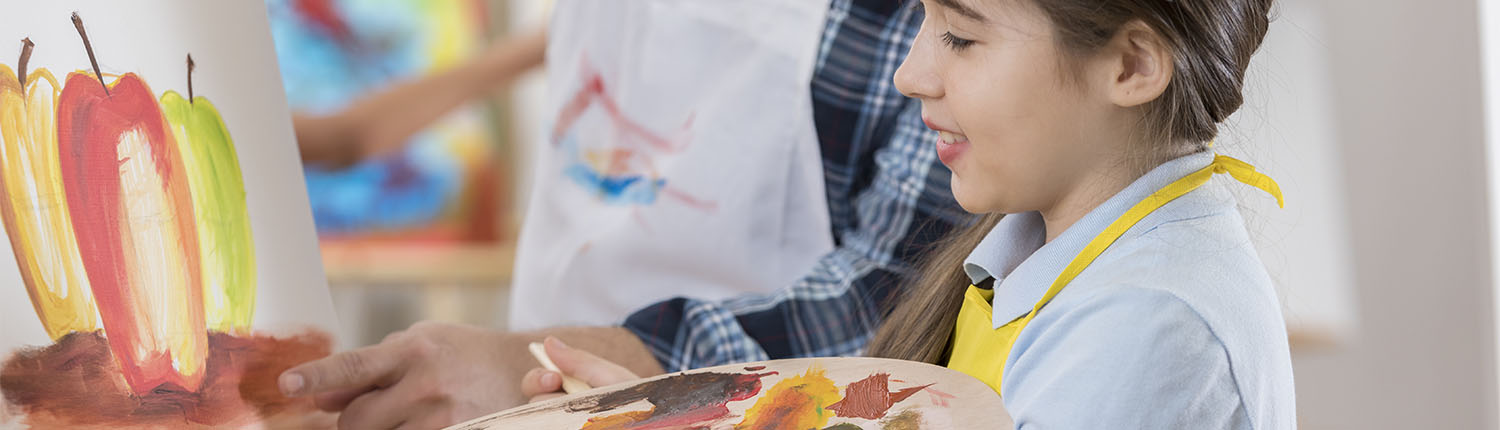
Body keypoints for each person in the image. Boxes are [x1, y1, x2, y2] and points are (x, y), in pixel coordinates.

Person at [524, 0, 1298, 427]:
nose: (909, 74)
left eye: (960, 37)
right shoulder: (1028, 258)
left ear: (1130, 65)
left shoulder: (1147, 324)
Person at [281, 2, 966, 429]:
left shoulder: (913, 28)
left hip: (742, 406)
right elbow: (354, 137)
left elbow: (902, 288)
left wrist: (550, 380)